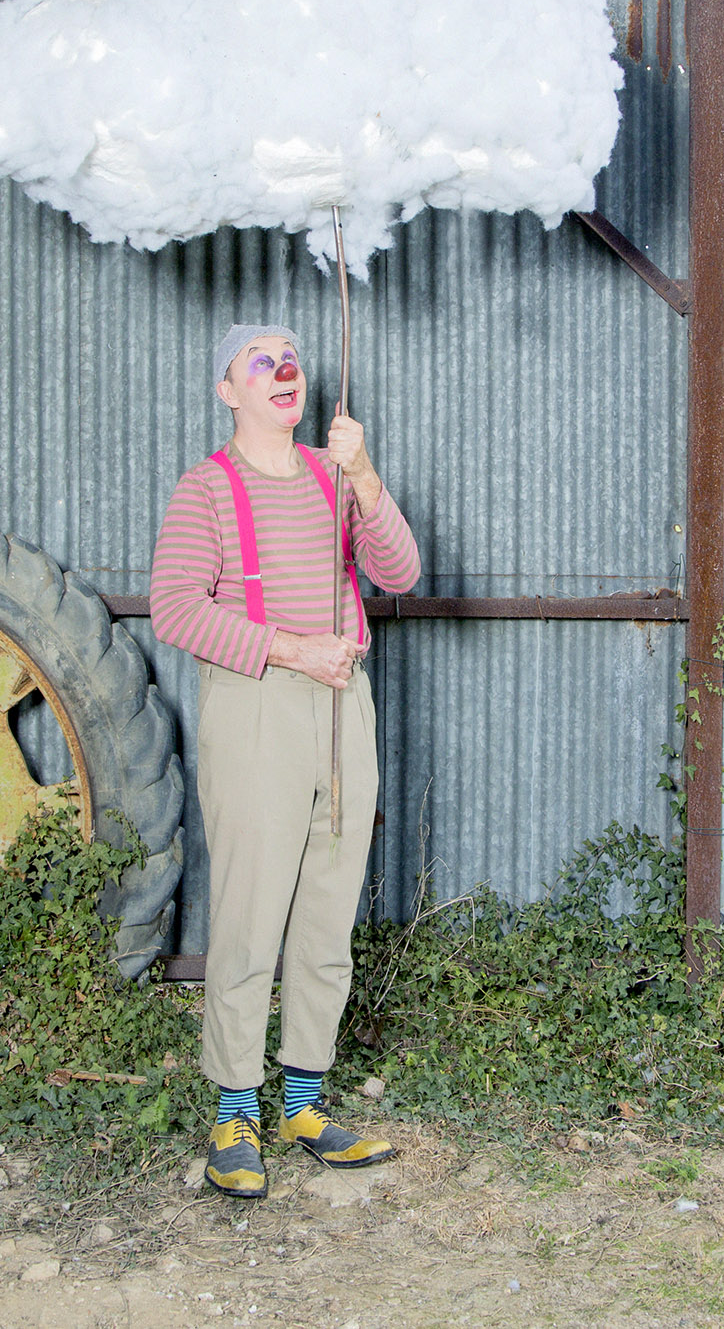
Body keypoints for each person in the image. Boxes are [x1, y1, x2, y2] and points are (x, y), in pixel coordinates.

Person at [150, 323, 421, 1197]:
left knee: (328, 908)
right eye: (259, 361)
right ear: (227, 390)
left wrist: (367, 477)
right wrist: (291, 649)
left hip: (346, 708)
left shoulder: (332, 476)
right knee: (249, 912)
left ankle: (303, 1101)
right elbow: (175, 612)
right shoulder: (206, 489)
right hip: (256, 703)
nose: (283, 370)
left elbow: (400, 573)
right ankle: (235, 1112)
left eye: (291, 357)